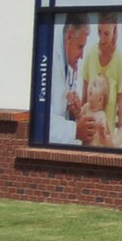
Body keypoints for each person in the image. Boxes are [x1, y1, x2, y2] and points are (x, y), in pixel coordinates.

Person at [78, 15, 122, 149]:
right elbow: (82, 109)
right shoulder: (89, 54)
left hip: (106, 148)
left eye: (106, 33)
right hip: (86, 146)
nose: (102, 39)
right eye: (99, 32)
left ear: (115, 30)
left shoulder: (121, 61)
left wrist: (111, 143)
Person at [47, 16, 89, 146]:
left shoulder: (66, 64)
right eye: (80, 47)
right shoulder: (49, 60)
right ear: (70, 36)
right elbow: (41, 123)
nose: (81, 55)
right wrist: (74, 130)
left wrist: (70, 109)